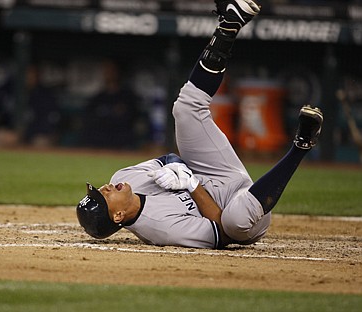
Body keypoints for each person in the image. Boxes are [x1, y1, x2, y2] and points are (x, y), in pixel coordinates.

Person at [76, 0, 324, 249]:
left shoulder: (124, 176)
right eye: (103, 196)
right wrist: (192, 185)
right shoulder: (161, 228)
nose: (105, 187)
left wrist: (177, 167)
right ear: (118, 216)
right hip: (241, 207)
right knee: (235, 221)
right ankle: (301, 145)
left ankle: (228, 25)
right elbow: (222, 232)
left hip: (216, 172)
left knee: (184, 109)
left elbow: (170, 158)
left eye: (98, 189)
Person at [81, 60, 144, 149]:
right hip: (100, 139)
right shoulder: (98, 97)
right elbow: (88, 117)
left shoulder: (127, 96)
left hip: (121, 139)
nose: (108, 74)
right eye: (106, 71)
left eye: (111, 71)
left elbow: (133, 117)